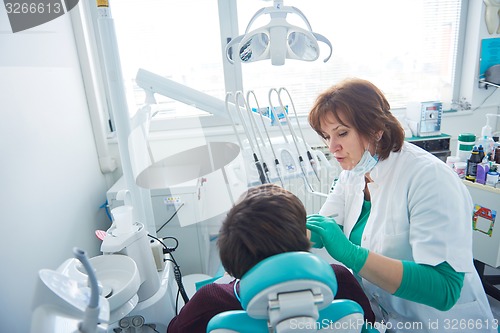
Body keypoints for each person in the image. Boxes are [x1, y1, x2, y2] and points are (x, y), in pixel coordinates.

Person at [305, 78, 497, 332]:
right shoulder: (353, 172)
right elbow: (319, 231)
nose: (332, 147)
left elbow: (444, 289)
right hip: (392, 321)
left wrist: (351, 255)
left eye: (342, 133)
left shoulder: (428, 178)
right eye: (326, 136)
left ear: (376, 129)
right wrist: (260, 242)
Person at [167, 183, 375, 333]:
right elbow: (367, 323)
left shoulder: (210, 300)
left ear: (231, 253)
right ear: (304, 240)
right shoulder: (339, 280)